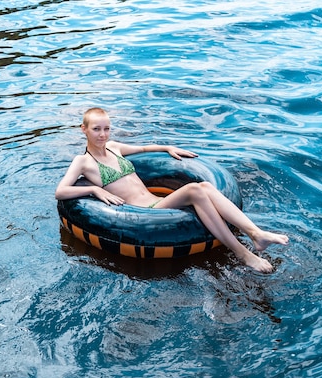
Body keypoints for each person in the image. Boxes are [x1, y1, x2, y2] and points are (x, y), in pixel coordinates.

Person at [55, 108, 289, 273]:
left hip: (156, 201)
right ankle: (243, 253)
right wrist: (95, 190)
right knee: (196, 191)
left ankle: (256, 233)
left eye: (107, 128)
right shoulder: (82, 162)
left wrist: (168, 147)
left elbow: (144, 147)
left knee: (205, 186)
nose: (103, 134)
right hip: (143, 210)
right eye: (96, 129)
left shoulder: (114, 147)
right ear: (83, 129)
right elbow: (61, 191)